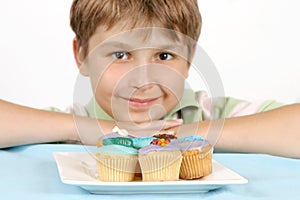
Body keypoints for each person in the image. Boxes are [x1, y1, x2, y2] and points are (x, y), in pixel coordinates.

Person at [0, 0, 299, 159]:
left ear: (189, 59)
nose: (142, 80)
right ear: (82, 56)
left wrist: (171, 138)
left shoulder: (216, 115)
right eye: (120, 55)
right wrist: (106, 131)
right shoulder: (67, 126)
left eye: (164, 57)